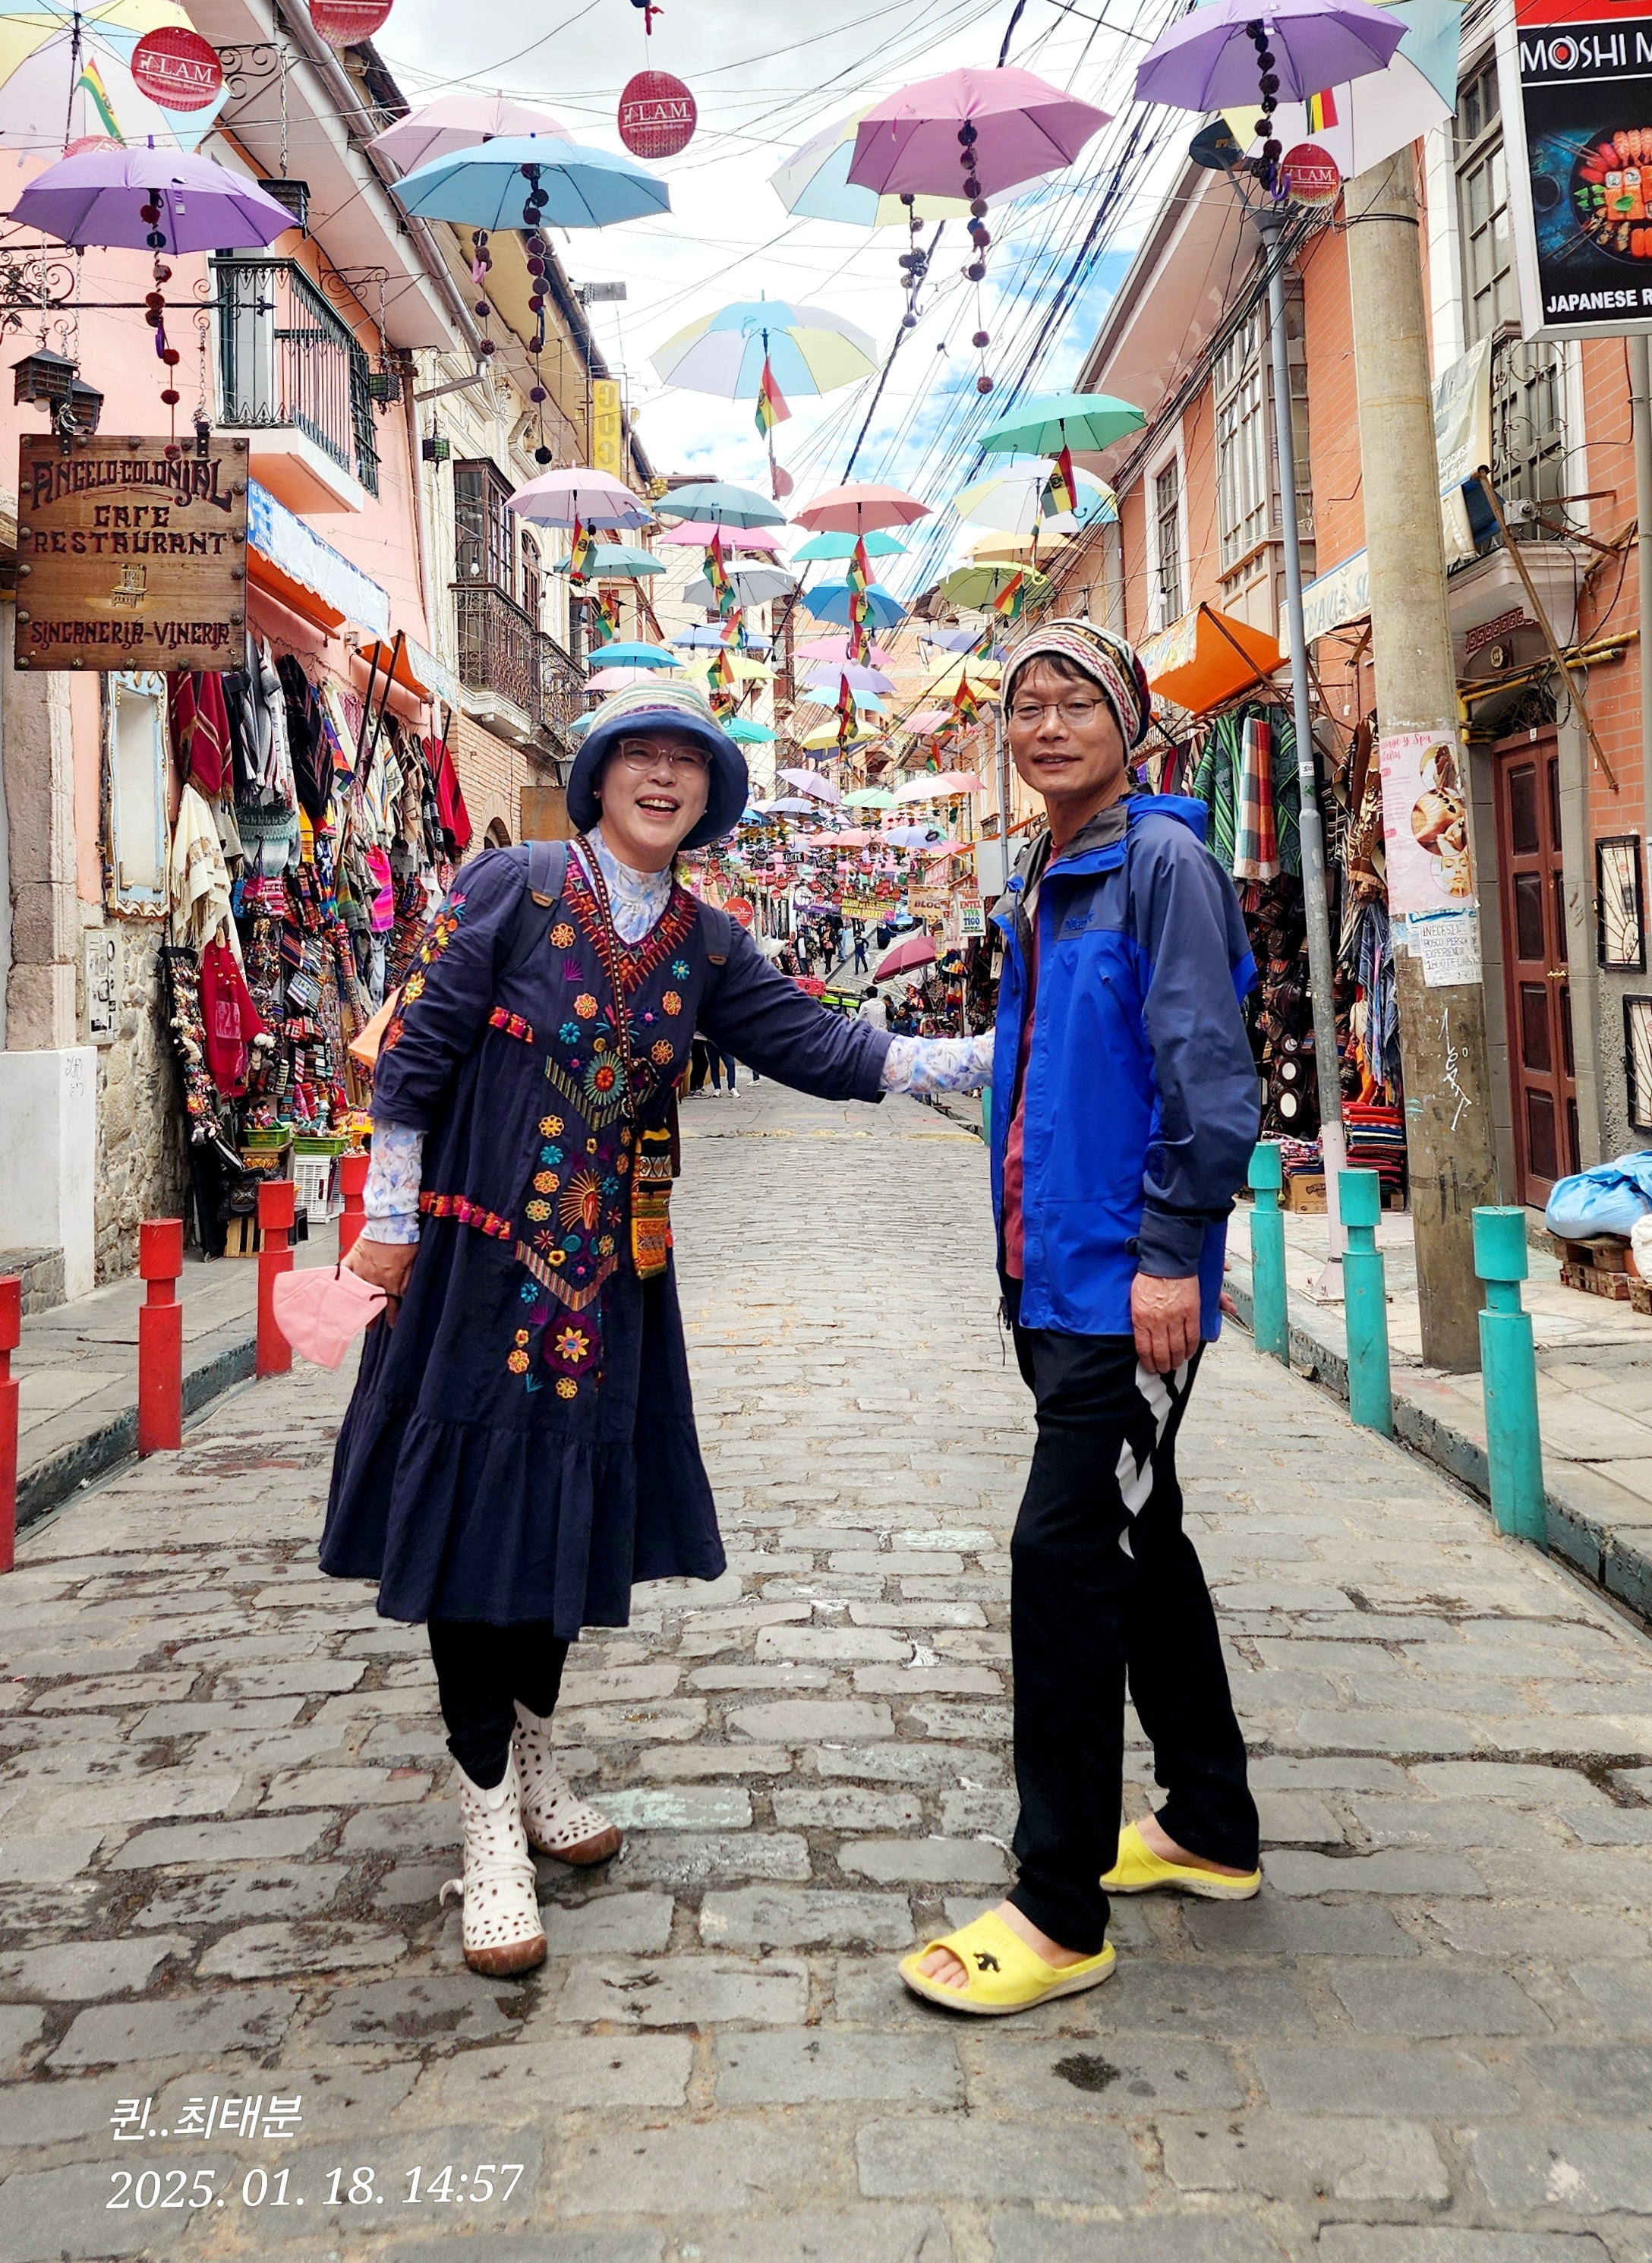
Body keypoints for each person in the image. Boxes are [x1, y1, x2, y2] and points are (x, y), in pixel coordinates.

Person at [323, 679, 949, 1980]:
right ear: (600, 778)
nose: (663, 778)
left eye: (688, 764)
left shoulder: (707, 944)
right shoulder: (514, 887)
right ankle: (486, 1814)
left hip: (608, 1282)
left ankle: (536, 1763)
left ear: (709, 797)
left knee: (558, 1513)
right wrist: (386, 1219)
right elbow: (414, 1058)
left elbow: (820, 1048)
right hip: (477, 1266)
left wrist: (995, 1054)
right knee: (474, 1529)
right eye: (641, 757)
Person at [882, 619, 1264, 2019]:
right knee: (1138, 1535)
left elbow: (1209, 1077)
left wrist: (1170, 1256)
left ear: (1131, 724)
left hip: (1124, 1290)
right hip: (1055, 1279)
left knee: (1062, 1554)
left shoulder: (1162, 864)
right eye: (1027, 707)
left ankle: (1058, 1908)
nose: (1047, 726)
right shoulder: (1048, 872)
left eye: (1076, 703)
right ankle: (1209, 1823)